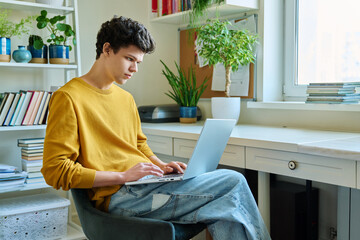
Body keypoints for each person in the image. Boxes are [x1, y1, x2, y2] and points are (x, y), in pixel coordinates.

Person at [41, 16, 271, 240]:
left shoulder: (125, 98)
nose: (134, 69)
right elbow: (55, 170)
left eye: (138, 62)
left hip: (143, 187)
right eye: (129, 59)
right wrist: (123, 175)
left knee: (225, 207)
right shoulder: (68, 97)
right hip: (120, 198)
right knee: (233, 182)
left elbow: (138, 145)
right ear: (107, 49)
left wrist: (161, 166)